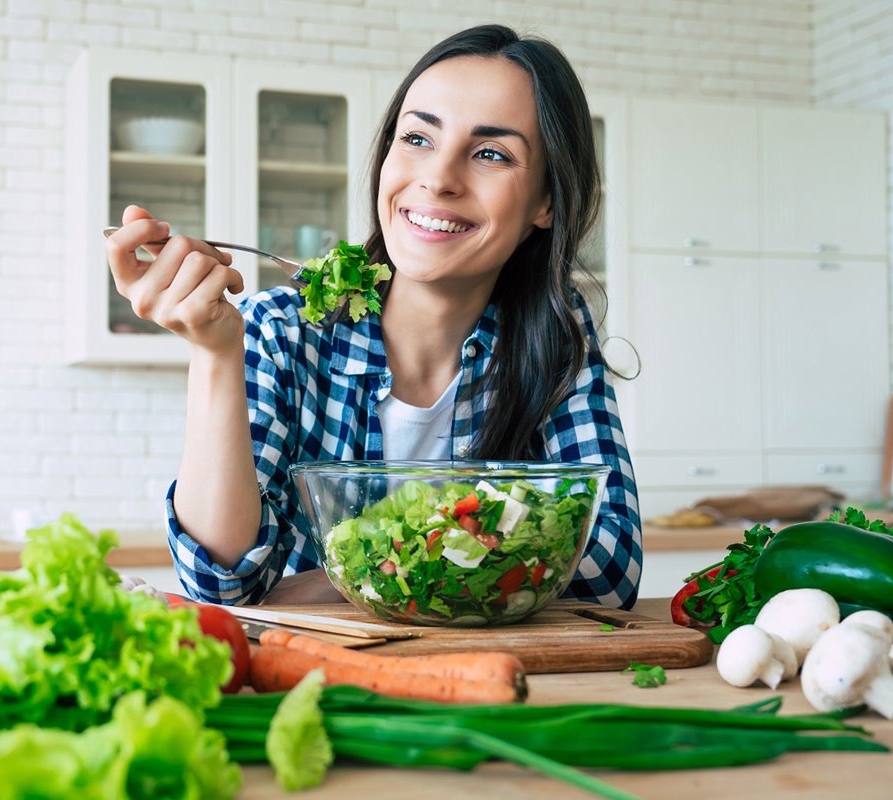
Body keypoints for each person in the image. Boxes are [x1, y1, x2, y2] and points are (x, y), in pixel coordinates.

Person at [104, 24, 642, 609]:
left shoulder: (557, 334)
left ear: (546, 201)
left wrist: (344, 577)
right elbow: (224, 582)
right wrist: (213, 352)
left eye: (490, 153)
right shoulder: (281, 330)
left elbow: (609, 569)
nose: (438, 178)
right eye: (417, 139)